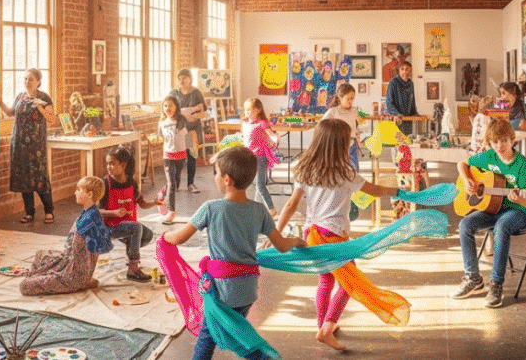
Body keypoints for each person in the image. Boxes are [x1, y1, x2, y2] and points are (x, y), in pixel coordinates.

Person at [275, 119, 413, 350]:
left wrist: (276, 233)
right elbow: (375, 190)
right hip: (334, 235)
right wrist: (399, 191)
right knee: (350, 283)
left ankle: (322, 324)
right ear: (339, 145)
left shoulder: (304, 167)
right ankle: (327, 328)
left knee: (326, 280)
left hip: (312, 233)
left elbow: (290, 205)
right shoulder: (345, 172)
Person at [162, 145, 307, 360]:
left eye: (216, 174)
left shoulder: (210, 208)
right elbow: (281, 245)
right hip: (247, 290)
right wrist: (297, 241)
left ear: (227, 179)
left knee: (209, 337)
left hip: (221, 290)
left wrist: (164, 237)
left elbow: (180, 237)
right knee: (236, 332)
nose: (215, 178)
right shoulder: (259, 210)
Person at [450, 118, 526, 308]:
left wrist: (518, 198)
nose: (500, 145)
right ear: (489, 143)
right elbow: (462, 164)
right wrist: (468, 179)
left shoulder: (522, 164)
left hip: (516, 211)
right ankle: (473, 278)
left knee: (502, 226)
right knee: (465, 225)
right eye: (495, 142)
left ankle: (496, 284)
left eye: (504, 140)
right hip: (491, 208)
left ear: (512, 140)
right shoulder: (489, 156)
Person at [21, 176, 113, 295]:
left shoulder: (89, 221)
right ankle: (81, 280)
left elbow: (84, 256)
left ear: (89, 195)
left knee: (24, 286)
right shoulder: (90, 212)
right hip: (72, 264)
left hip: (73, 277)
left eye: (79, 190)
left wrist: (76, 277)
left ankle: (82, 284)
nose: (75, 192)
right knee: (41, 256)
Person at [0, 69, 56, 224]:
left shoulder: (44, 97)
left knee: (39, 177)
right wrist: (0, 102)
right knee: (23, 178)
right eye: (25, 79)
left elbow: (51, 119)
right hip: (19, 143)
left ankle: (49, 211)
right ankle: (29, 213)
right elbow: (10, 113)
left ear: (38, 81)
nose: (27, 82)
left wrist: (39, 106)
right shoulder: (20, 96)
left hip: (36, 146)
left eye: (31, 79)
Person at [99, 146, 159, 283]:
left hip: (128, 228)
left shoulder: (131, 182)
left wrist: (155, 202)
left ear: (123, 165)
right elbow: (95, 211)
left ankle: (130, 251)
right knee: (137, 227)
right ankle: (133, 268)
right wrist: (113, 213)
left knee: (148, 235)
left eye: (112, 163)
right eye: (107, 163)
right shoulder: (105, 184)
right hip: (110, 227)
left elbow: (142, 204)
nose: (109, 167)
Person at [168, 69, 207, 193]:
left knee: (191, 156)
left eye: (185, 78)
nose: (182, 81)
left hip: (192, 129)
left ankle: (191, 183)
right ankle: (175, 183)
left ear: (190, 79)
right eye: (180, 78)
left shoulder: (196, 93)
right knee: (177, 156)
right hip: (178, 128)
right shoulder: (174, 93)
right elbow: (167, 109)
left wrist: (193, 116)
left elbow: (204, 112)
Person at [242, 98, 278, 217]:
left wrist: (275, 139)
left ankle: (271, 209)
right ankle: (257, 208)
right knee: (256, 184)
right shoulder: (246, 123)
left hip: (260, 158)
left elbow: (271, 134)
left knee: (260, 186)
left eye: (250, 110)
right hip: (249, 158)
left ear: (257, 110)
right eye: (246, 110)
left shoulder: (261, 123)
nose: (247, 113)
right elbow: (245, 139)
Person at [159, 96, 189, 223]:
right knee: (172, 183)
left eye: (171, 105)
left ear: (176, 106)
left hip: (181, 155)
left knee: (175, 182)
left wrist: (193, 148)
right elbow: (161, 137)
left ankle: (162, 193)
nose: (168, 108)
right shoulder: (161, 123)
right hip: (168, 155)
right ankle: (171, 212)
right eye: (165, 105)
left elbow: (185, 137)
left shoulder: (181, 121)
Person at [322, 83, 363, 171]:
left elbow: (362, 123)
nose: (350, 101)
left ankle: (354, 184)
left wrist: (359, 134)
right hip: (337, 145)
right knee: (337, 169)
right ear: (340, 98)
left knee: (354, 170)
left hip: (351, 144)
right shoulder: (333, 111)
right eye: (348, 99)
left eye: (352, 99)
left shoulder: (353, 111)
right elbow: (322, 125)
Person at [384, 60, 419, 135]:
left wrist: (415, 113)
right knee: (397, 142)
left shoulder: (410, 83)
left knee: (408, 140)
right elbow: (389, 101)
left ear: (410, 71)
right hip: (396, 119)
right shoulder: (393, 82)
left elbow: (412, 100)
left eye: (407, 69)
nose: (405, 72)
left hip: (408, 119)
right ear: (399, 70)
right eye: (402, 69)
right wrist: (395, 114)